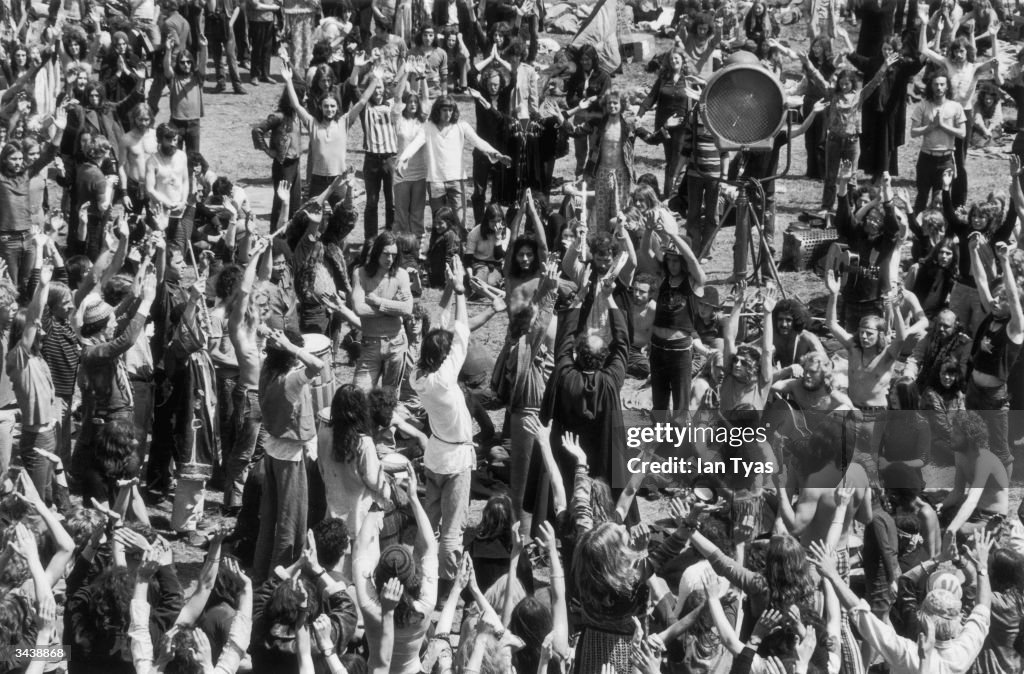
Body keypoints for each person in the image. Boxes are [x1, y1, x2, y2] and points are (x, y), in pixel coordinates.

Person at [410, 256, 474, 584]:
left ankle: (421, 574)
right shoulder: (446, 381)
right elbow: (461, 331)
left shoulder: (417, 377)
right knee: (452, 531)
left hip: (435, 454)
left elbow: (436, 325)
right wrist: (461, 290)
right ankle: (449, 590)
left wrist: (447, 290)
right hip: (455, 460)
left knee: (428, 521)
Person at [253, 325, 325, 582]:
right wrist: (293, 347)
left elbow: (261, 345)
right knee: (290, 525)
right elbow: (317, 366)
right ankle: (280, 581)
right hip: (289, 458)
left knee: (268, 521)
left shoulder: (266, 369)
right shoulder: (291, 381)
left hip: (271, 452)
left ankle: (262, 576)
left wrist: (269, 334)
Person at [396, 94, 509, 227]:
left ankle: (460, 246)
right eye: (444, 110)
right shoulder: (427, 127)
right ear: (437, 110)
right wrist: (403, 159)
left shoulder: (462, 126)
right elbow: (415, 144)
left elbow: (478, 142)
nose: (448, 113)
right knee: (439, 222)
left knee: (460, 222)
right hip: (435, 181)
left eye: (450, 110)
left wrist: (497, 155)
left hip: (456, 181)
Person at [351, 231, 414, 393]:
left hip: (396, 344)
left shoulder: (402, 275)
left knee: (389, 398)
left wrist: (378, 302)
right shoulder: (360, 274)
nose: (390, 259)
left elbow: (407, 309)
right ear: (377, 251)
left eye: (394, 255)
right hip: (370, 344)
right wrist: (393, 309)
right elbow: (359, 309)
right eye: (386, 254)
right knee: (359, 394)